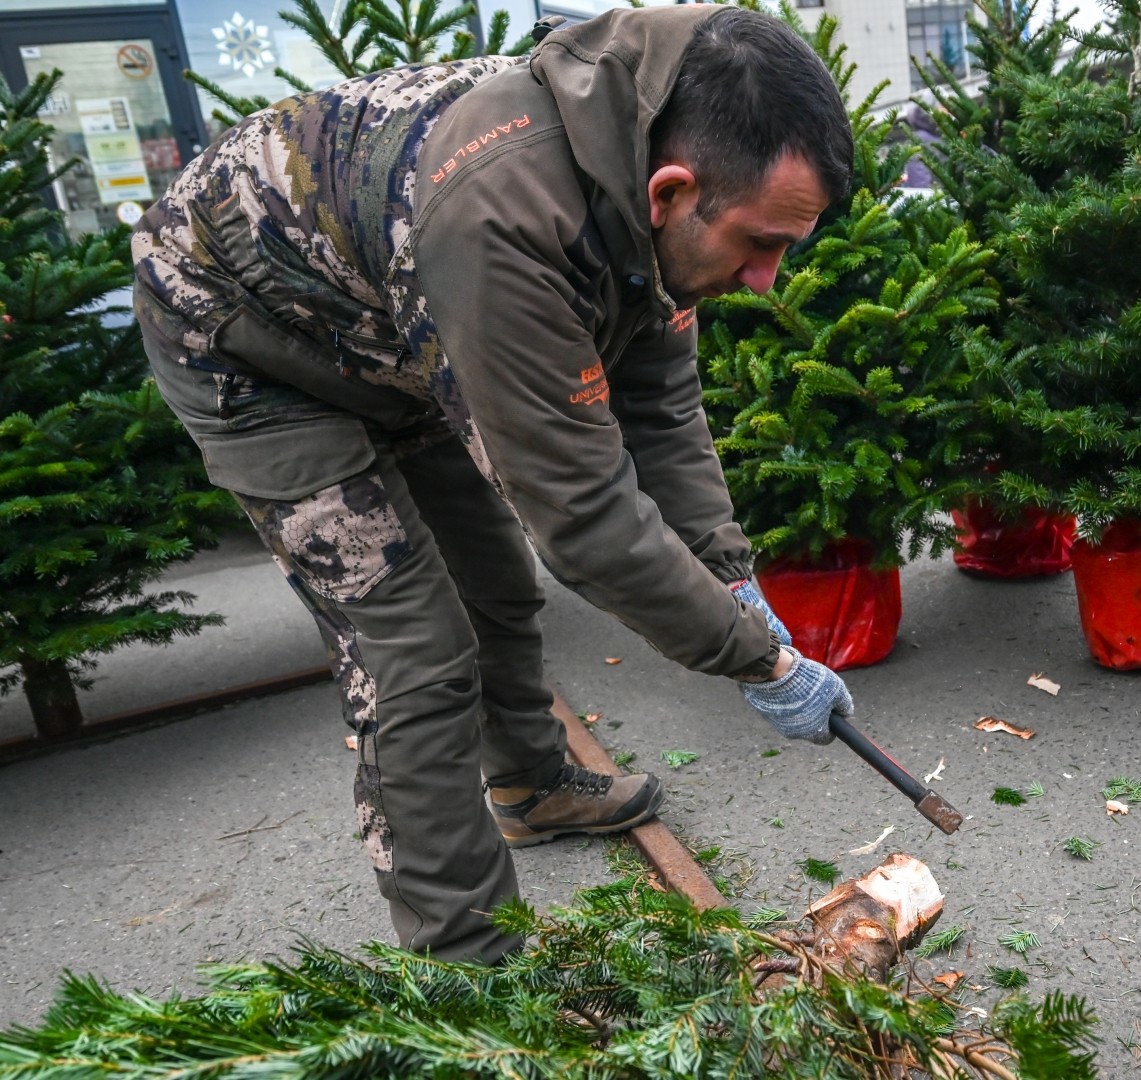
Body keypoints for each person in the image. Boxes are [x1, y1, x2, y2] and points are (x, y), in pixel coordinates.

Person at [131, 5, 857, 964]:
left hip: (389, 328)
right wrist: (759, 660)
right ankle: (468, 968)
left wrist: (730, 577)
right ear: (671, 191)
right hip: (248, 341)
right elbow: (585, 517)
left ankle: (532, 783)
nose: (765, 280)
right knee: (414, 649)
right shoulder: (502, 219)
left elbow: (662, 416)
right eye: (759, 244)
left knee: (496, 585)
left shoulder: (640, 183)